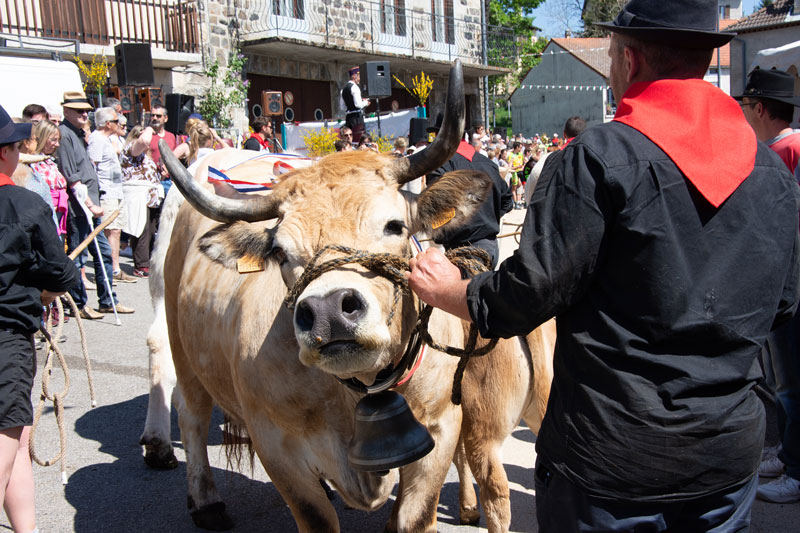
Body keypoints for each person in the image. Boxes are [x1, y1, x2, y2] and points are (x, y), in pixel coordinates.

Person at [406, 1, 800, 530]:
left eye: (611, 53)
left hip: (610, 463)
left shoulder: (598, 157)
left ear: (629, 61)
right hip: (726, 459)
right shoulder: (773, 175)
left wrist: (455, 290)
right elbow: (783, 302)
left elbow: (529, 295)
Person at [0, 103, 79, 533]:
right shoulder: (23, 204)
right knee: (6, 434)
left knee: (19, 436)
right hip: (6, 338)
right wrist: (47, 285)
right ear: (4, 153)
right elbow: (60, 270)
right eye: (15, 145)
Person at [736, 67, 800, 504]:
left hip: (789, 282)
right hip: (782, 280)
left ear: (759, 108)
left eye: (745, 107)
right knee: (782, 381)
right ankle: (790, 454)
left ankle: (797, 469)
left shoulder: (786, 151)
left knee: (792, 382)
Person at [57, 90, 134, 319]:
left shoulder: (79, 133)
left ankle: (108, 300)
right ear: (66, 111)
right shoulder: (64, 134)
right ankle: (78, 304)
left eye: (86, 111)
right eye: (79, 111)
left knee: (103, 252)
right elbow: (72, 176)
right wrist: (90, 205)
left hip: (90, 205)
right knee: (79, 256)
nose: (84, 114)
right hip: (80, 207)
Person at [425, 116, 513, 269]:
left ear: (442, 135)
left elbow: (435, 207)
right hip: (490, 247)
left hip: (463, 252)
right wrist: (487, 217)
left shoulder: (442, 166)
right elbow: (507, 202)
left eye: (435, 135)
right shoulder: (487, 163)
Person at [88, 107, 136, 284]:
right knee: (110, 230)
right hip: (106, 191)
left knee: (116, 230)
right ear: (108, 123)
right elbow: (93, 167)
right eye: (117, 121)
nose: (120, 124)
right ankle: (111, 270)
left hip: (116, 190)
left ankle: (115, 268)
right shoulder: (97, 139)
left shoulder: (109, 139)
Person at [120, 126, 164, 279]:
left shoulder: (146, 156)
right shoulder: (130, 150)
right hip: (138, 195)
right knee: (141, 231)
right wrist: (150, 128)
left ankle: (148, 262)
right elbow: (144, 141)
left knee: (151, 231)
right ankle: (141, 265)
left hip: (151, 196)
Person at [341, 66, 370, 143]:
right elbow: (358, 105)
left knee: (349, 139)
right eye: (359, 76)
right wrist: (366, 103)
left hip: (349, 117)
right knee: (359, 138)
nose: (359, 78)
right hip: (357, 117)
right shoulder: (355, 88)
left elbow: (342, 107)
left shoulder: (343, 89)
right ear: (354, 76)